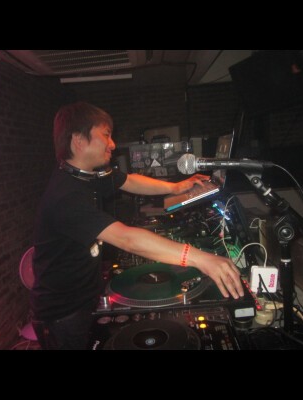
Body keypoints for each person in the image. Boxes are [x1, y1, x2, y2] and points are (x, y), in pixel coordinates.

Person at [30, 101, 244, 350]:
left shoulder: (86, 175)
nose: (113, 144)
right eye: (106, 135)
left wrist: (176, 187)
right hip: (63, 314)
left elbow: (129, 181)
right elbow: (127, 239)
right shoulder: (66, 196)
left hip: (83, 297)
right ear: (78, 140)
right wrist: (200, 258)